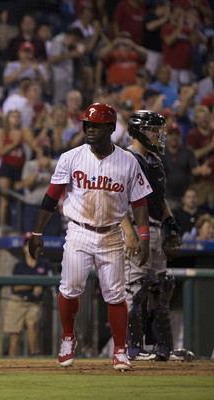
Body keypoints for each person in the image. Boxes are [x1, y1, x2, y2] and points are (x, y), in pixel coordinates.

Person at [28, 102, 152, 371]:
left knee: (116, 294)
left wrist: (144, 237)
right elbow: (51, 196)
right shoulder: (71, 157)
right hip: (78, 231)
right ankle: (68, 338)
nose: (89, 129)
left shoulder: (128, 161)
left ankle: (120, 350)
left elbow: (140, 202)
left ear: (110, 128)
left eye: (95, 125)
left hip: (111, 234)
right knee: (69, 287)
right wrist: (37, 231)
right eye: (87, 124)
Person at [120, 110, 192, 362]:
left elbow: (158, 198)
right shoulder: (126, 158)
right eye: (152, 130)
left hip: (154, 226)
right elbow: (116, 201)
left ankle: (164, 349)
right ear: (139, 130)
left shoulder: (154, 159)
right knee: (136, 288)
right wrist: (130, 233)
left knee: (163, 285)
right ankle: (132, 348)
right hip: (134, 227)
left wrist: (170, 222)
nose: (157, 135)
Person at [5, 232, 53, 356]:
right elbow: (15, 287)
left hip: (35, 303)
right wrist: (35, 283)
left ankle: (33, 358)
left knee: (32, 323)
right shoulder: (19, 265)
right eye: (28, 245)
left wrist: (41, 284)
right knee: (15, 336)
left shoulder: (45, 263)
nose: (30, 248)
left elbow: (51, 281)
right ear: (24, 248)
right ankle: (11, 366)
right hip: (18, 301)